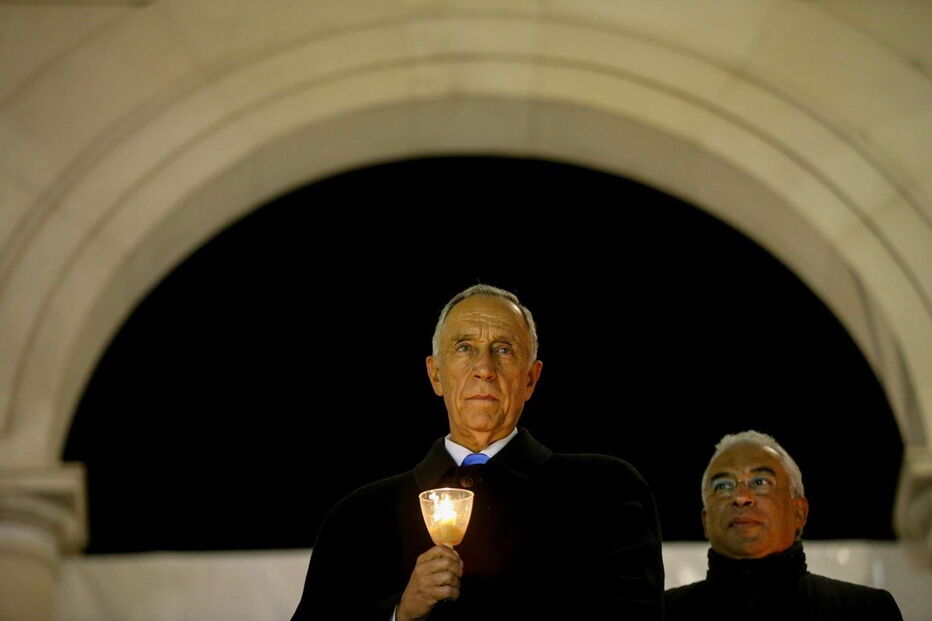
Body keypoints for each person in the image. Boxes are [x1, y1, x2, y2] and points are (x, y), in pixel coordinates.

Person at [291, 284, 663, 620]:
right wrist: (400, 613)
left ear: (531, 378)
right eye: (464, 348)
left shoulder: (606, 492)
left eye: (504, 349)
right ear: (436, 375)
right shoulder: (358, 518)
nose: (484, 368)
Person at [664, 430, 902, 620]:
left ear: (799, 512)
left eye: (760, 481)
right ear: (705, 521)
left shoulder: (864, 611)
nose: (741, 497)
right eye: (724, 486)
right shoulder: (660, 614)